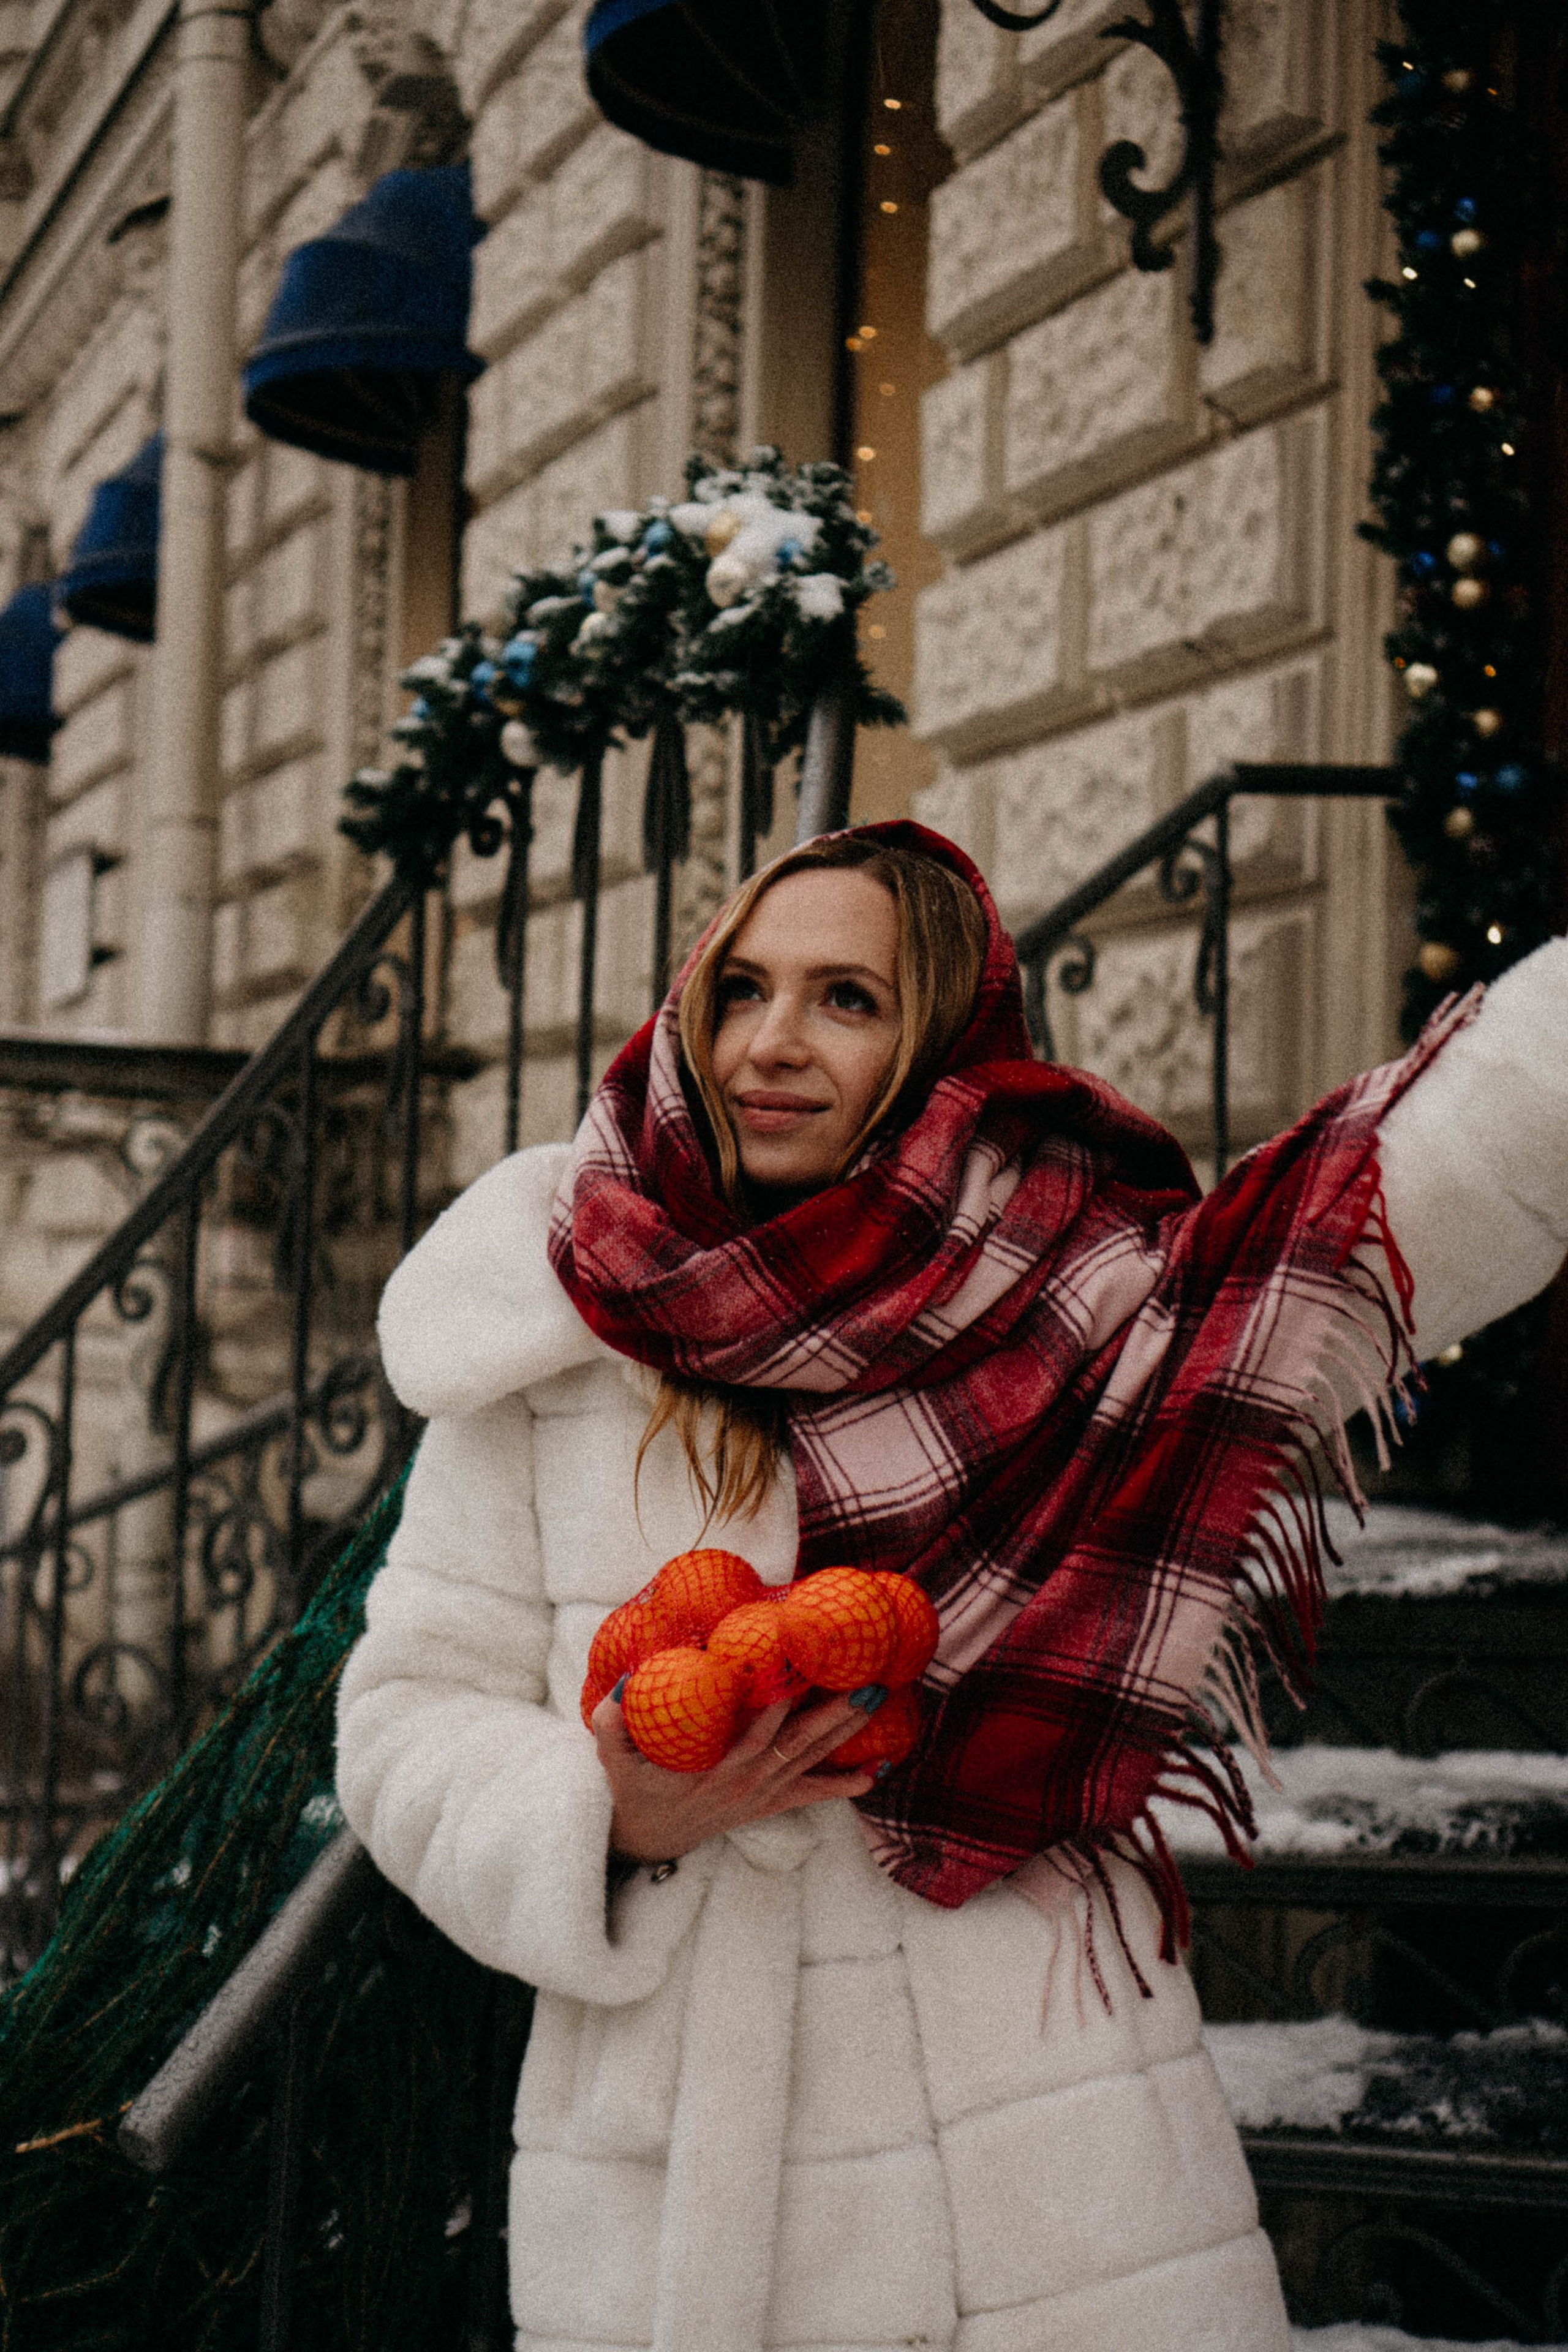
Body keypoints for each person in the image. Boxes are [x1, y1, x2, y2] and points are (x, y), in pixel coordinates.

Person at [336, 821, 1568, 2352]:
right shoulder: (561, 1326)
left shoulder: (1085, 1292)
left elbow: (1408, 1200)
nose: (770, 1045)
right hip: (700, 2181)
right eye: (741, 992)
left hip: (1047, 2165)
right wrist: (602, 1816)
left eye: (846, 1000)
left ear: (941, 1048)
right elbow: (407, 1714)